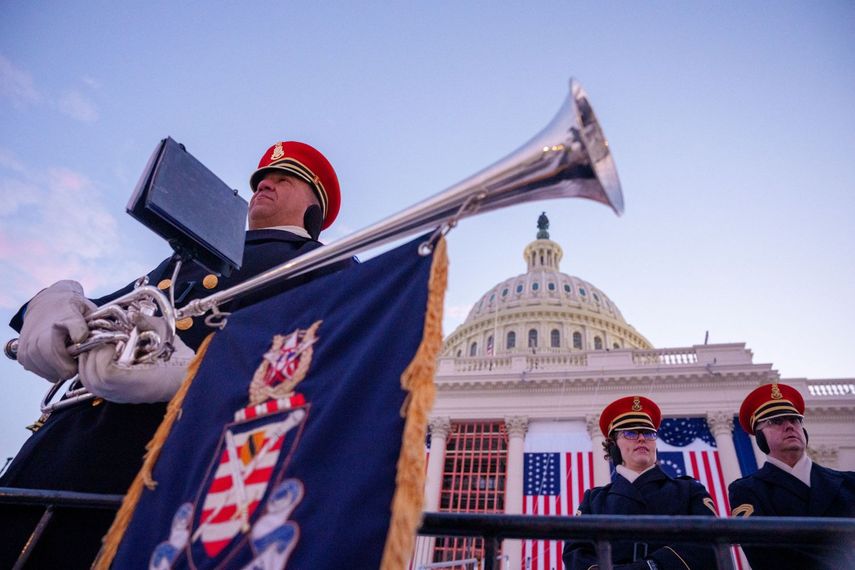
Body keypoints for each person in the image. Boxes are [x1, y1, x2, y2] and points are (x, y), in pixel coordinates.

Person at [0, 141, 353, 569]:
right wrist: (51, 302)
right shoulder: (187, 256)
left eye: (283, 180)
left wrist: (194, 373)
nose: (264, 186)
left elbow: (326, 362)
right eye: (260, 179)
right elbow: (104, 310)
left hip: (155, 472)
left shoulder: (324, 264)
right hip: (58, 452)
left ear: (314, 207)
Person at [563, 396, 717, 570]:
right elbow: (575, 554)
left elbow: (710, 544)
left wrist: (652, 566)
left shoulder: (689, 490)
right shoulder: (594, 500)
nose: (642, 438)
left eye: (648, 433)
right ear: (613, 445)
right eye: (630, 433)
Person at [728, 382, 855, 569]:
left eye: (794, 419)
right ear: (759, 436)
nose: (789, 426)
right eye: (776, 421)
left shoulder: (849, 482)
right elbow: (765, 556)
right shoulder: (747, 491)